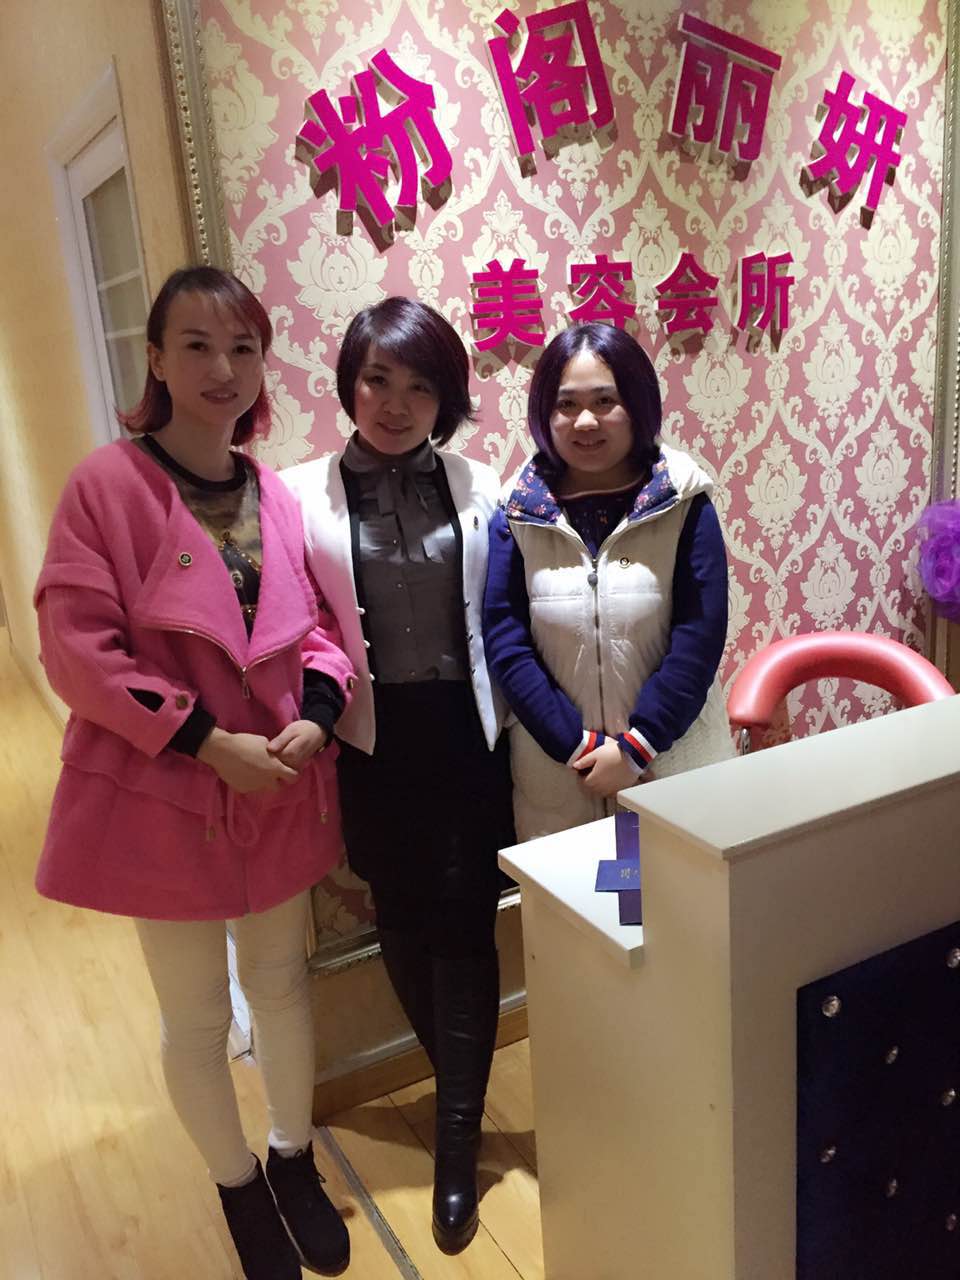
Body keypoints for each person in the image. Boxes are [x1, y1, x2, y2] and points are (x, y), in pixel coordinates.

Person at [34, 267, 353, 1280]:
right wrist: (207, 741)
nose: (224, 368)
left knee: (283, 987)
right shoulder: (107, 487)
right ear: (158, 361)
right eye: (198, 346)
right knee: (199, 1015)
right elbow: (76, 650)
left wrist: (317, 716)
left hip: (277, 788)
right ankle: (236, 1184)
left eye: (243, 348)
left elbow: (318, 632)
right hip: (163, 796)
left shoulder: (272, 491)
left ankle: (293, 1157)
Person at [281, 296, 513, 1255]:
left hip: (468, 735)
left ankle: (456, 1136)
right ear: (349, 381)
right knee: (402, 919)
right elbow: (294, 623)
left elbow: (509, 612)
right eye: (377, 379)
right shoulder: (296, 496)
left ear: (446, 399)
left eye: (420, 386)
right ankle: (458, 1087)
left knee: (465, 924)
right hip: (371, 742)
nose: (394, 403)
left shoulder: (481, 483)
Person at [483, 322, 733, 842]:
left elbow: (700, 633)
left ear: (637, 405)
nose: (585, 421)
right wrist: (577, 745)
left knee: (683, 893)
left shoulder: (685, 502)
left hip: (671, 766)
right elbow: (506, 640)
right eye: (566, 404)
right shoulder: (516, 512)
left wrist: (638, 747)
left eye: (605, 401)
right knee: (579, 896)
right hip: (561, 777)